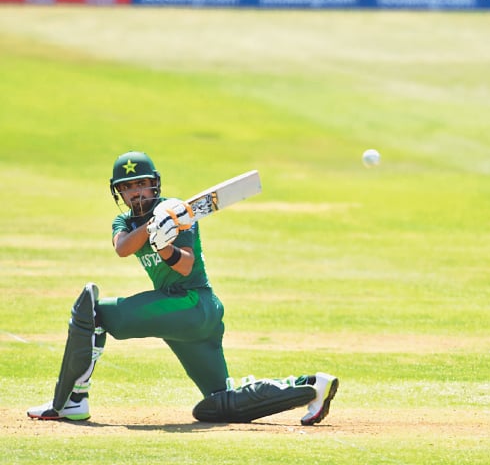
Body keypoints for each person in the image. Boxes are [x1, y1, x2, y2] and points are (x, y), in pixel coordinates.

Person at [27, 151, 338, 425]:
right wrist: (153, 230)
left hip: (191, 302)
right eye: (127, 187)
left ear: (154, 185)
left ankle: (71, 401)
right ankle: (311, 385)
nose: (136, 193)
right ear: (118, 192)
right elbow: (122, 248)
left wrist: (166, 246)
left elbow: (185, 265)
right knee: (219, 402)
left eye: (141, 184)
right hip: (187, 318)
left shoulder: (179, 215)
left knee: (93, 311)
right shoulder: (123, 222)